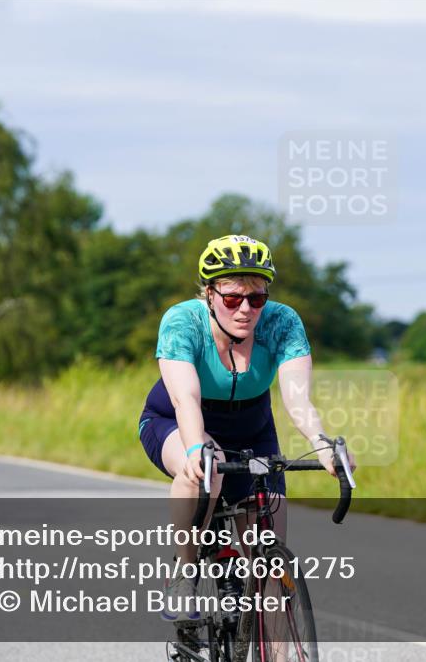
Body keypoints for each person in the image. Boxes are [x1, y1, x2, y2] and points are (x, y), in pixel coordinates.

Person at [138, 234, 347, 622]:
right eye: (233, 298)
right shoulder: (183, 322)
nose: (246, 309)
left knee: (270, 569)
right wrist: (195, 450)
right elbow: (185, 400)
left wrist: (321, 444)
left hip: (253, 430)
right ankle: (184, 572)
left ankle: (279, 641)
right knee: (207, 467)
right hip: (176, 421)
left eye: (257, 298)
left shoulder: (282, 323)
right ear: (210, 293)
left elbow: (298, 399)